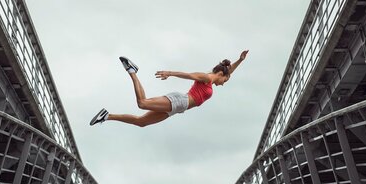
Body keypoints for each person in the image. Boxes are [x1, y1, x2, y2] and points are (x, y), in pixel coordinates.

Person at [90, 50, 249, 127]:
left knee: (141, 122)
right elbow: (189, 75)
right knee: (142, 103)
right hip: (180, 101)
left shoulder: (214, 79)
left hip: (178, 108)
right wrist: (170, 73)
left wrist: (240, 60)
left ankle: (107, 116)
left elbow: (229, 71)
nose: (224, 83)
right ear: (220, 74)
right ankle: (132, 71)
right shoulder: (206, 78)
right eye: (225, 79)